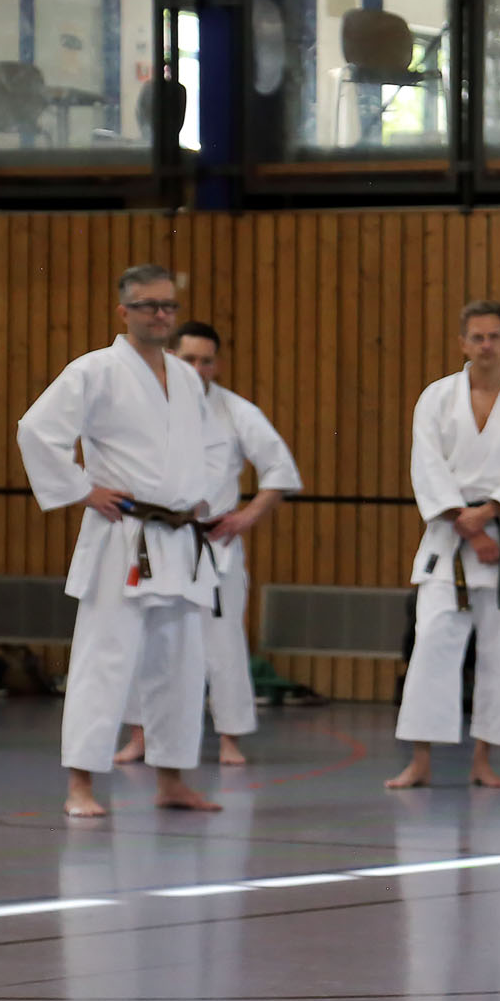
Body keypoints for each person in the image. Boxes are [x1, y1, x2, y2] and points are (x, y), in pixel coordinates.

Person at [15, 263, 223, 818]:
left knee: (180, 666)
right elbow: (36, 430)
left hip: (178, 540)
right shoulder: (95, 370)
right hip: (123, 537)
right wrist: (82, 489)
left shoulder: (185, 378)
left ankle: (172, 781)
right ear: (123, 311)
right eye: (148, 305)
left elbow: (208, 446)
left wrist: (200, 496)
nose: (160, 315)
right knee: (103, 662)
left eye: (168, 306)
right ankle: (80, 786)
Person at [386, 300, 500, 790]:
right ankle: (420, 760)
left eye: (494, 337)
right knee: (431, 647)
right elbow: (426, 466)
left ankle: (483, 760)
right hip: (452, 537)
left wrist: (488, 514)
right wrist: (471, 526)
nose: (486, 346)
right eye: (477, 337)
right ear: (462, 343)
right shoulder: (437, 397)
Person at [115, 321, 302, 768]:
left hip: (213, 543)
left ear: (217, 365)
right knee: (144, 640)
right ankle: (141, 735)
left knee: (222, 644)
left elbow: (280, 470)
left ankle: (230, 738)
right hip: (156, 541)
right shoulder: (145, 409)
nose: (198, 368)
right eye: (189, 359)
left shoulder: (236, 411)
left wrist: (246, 516)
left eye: (206, 361)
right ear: (170, 357)